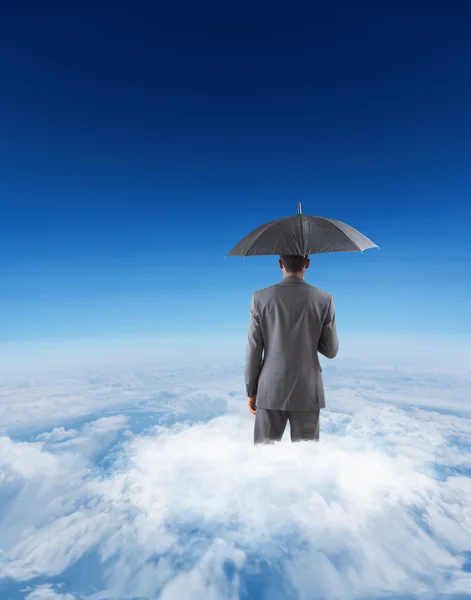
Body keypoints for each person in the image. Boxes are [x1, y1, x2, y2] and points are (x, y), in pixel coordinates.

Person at [245, 254, 339, 444]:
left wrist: (251, 391)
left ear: (280, 264)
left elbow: (254, 349)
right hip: (307, 390)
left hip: (270, 388)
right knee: (307, 460)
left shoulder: (260, 298)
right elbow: (331, 350)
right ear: (308, 263)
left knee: (262, 459)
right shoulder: (324, 299)